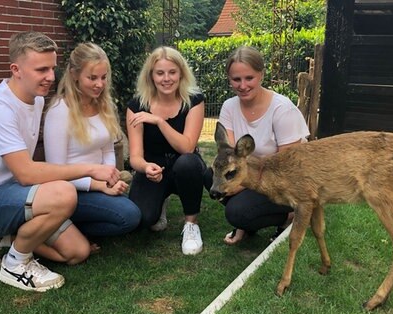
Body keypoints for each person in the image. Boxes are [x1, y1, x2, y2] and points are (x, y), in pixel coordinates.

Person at [0, 32, 121, 292]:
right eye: (41, 69)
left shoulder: (37, 99)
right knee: (63, 193)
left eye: (52, 68)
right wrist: (92, 170)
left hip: (14, 195)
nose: (51, 77)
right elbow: (27, 173)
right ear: (16, 70)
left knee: (78, 252)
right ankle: (16, 264)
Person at [204, 46, 309, 245]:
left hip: (283, 180)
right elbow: (231, 156)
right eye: (236, 79)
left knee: (237, 212)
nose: (242, 85)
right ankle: (248, 220)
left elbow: (286, 165)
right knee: (210, 176)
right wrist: (236, 183)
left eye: (249, 78)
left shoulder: (282, 109)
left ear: (261, 74)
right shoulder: (229, 106)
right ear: (229, 79)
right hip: (252, 176)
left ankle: (290, 215)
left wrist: (238, 185)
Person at [43, 42, 141, 246]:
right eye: (92, 78)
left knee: (140, 211)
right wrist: (99, 185)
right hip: (70, 191)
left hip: (100, 185)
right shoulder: (60, 111)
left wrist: (111, 179)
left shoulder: (103, 105)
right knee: (129, 216)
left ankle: (70, 229)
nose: (100, 84)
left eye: (104, 77)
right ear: (74, 75)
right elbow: (55, 172)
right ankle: (63, 228)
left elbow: (106, 149)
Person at [126, 46, 207, 255]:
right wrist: (145, 167)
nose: (166, 79)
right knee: (142, 220)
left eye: (172, 72)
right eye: (160, 73)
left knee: (187, 162)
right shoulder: (137, 105)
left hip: (185, 165)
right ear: (151, 76)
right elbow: (134, 156)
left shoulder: (194, 100)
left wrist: (160, 121)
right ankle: (159, 202)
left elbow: (187, 146)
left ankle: (191, 224)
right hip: (154, 168)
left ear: (181, 74)